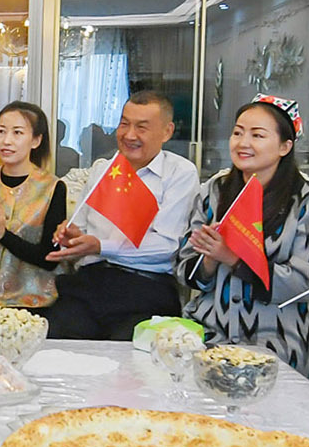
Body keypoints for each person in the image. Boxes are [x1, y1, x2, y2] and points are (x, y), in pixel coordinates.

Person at [176, 95, 309, 370]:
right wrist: (209, 258)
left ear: (285, 146)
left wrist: (234, 260)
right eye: (238, 133)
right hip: (210, 335)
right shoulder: (213, 191)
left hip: (278, 341)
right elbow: (184, 271)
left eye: (257, 135)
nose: (243, 143)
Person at [42, 90, 201, 342]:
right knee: (53, 342)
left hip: (146, 288)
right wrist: (71, 238)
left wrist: (100, 246)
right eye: (124, 124)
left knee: (125, 356)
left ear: (167, 132)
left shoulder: (179, 173)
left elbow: (168, 246)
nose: (129, 135)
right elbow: (79, 232)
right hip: (90, 283)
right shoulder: (103, 170)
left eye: (141, 127)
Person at [0, 100, 67, 310]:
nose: (6, 141)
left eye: (17, 133)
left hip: (31, 304)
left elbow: (49, 259)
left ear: (36, 140)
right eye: (1, 131)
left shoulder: (52, 187)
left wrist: (2, 235)